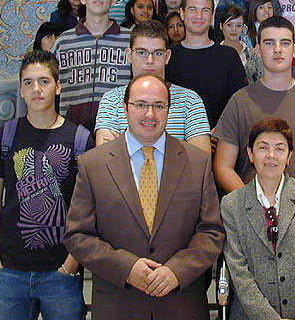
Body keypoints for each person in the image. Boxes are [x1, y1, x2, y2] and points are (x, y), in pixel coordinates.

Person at [64, 74, 225, 320]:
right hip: (119, 304)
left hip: (180, 305)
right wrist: (125, 268)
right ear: (125, 109)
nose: (150, 114)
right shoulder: (93, 164)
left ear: (168, 111)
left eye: (159, 106)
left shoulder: (197, 161)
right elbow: (78, 235)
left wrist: (176, 271)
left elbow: (212, 233)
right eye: (140, 105)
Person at [0, 50, 92, 320]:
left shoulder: (79, 139)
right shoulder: (3, 138)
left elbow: (87, 209)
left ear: (57, 86)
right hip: (8, 273)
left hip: (60, 273)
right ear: (20, 90)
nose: (36, 89)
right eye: (28, 82)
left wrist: (71, 264)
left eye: (44, 81)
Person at [221, 118, 295, 320]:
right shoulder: (232, 205)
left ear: (289, 156)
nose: (271, 156)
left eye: (280, 149)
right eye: (263, 148)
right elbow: (239, 273)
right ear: (250, 154)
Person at [213, 15, 295, 192]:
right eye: (269, 43)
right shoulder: (240, 101)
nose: (278, 50)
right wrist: (253, 206)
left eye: (285, 43)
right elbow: (223, 168)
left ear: (294, 50)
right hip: (251, 215)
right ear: (258, 50)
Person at [95, 20, 211, 153]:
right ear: (129, 55)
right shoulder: (111, 100)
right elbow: (105, 158)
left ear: (167, 56)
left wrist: (125, 146)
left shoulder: (190, 101)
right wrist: (179, 150)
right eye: (142, 52)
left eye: (157, 53)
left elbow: (200, 160)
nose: (150, 61)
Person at [50, 0, 132, 132]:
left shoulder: (130, 40)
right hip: (71, 130)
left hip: (117, 129)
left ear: (114, 0)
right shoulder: (62, 43)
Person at [164, 0, 247, 128]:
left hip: (219, 140)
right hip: (176, 140)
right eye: (192, 9)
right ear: (182, 13)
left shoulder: (228, 56)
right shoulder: (168, 57)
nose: (199, 16)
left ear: (212, 15)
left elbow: (240, 103)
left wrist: (220, 131)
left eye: (205, 10)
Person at [243, 0, 276, 82]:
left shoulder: (279, 32)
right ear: (254, 10)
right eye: (261, 7)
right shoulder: (245, 33)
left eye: (269, 7)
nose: (267, 11)